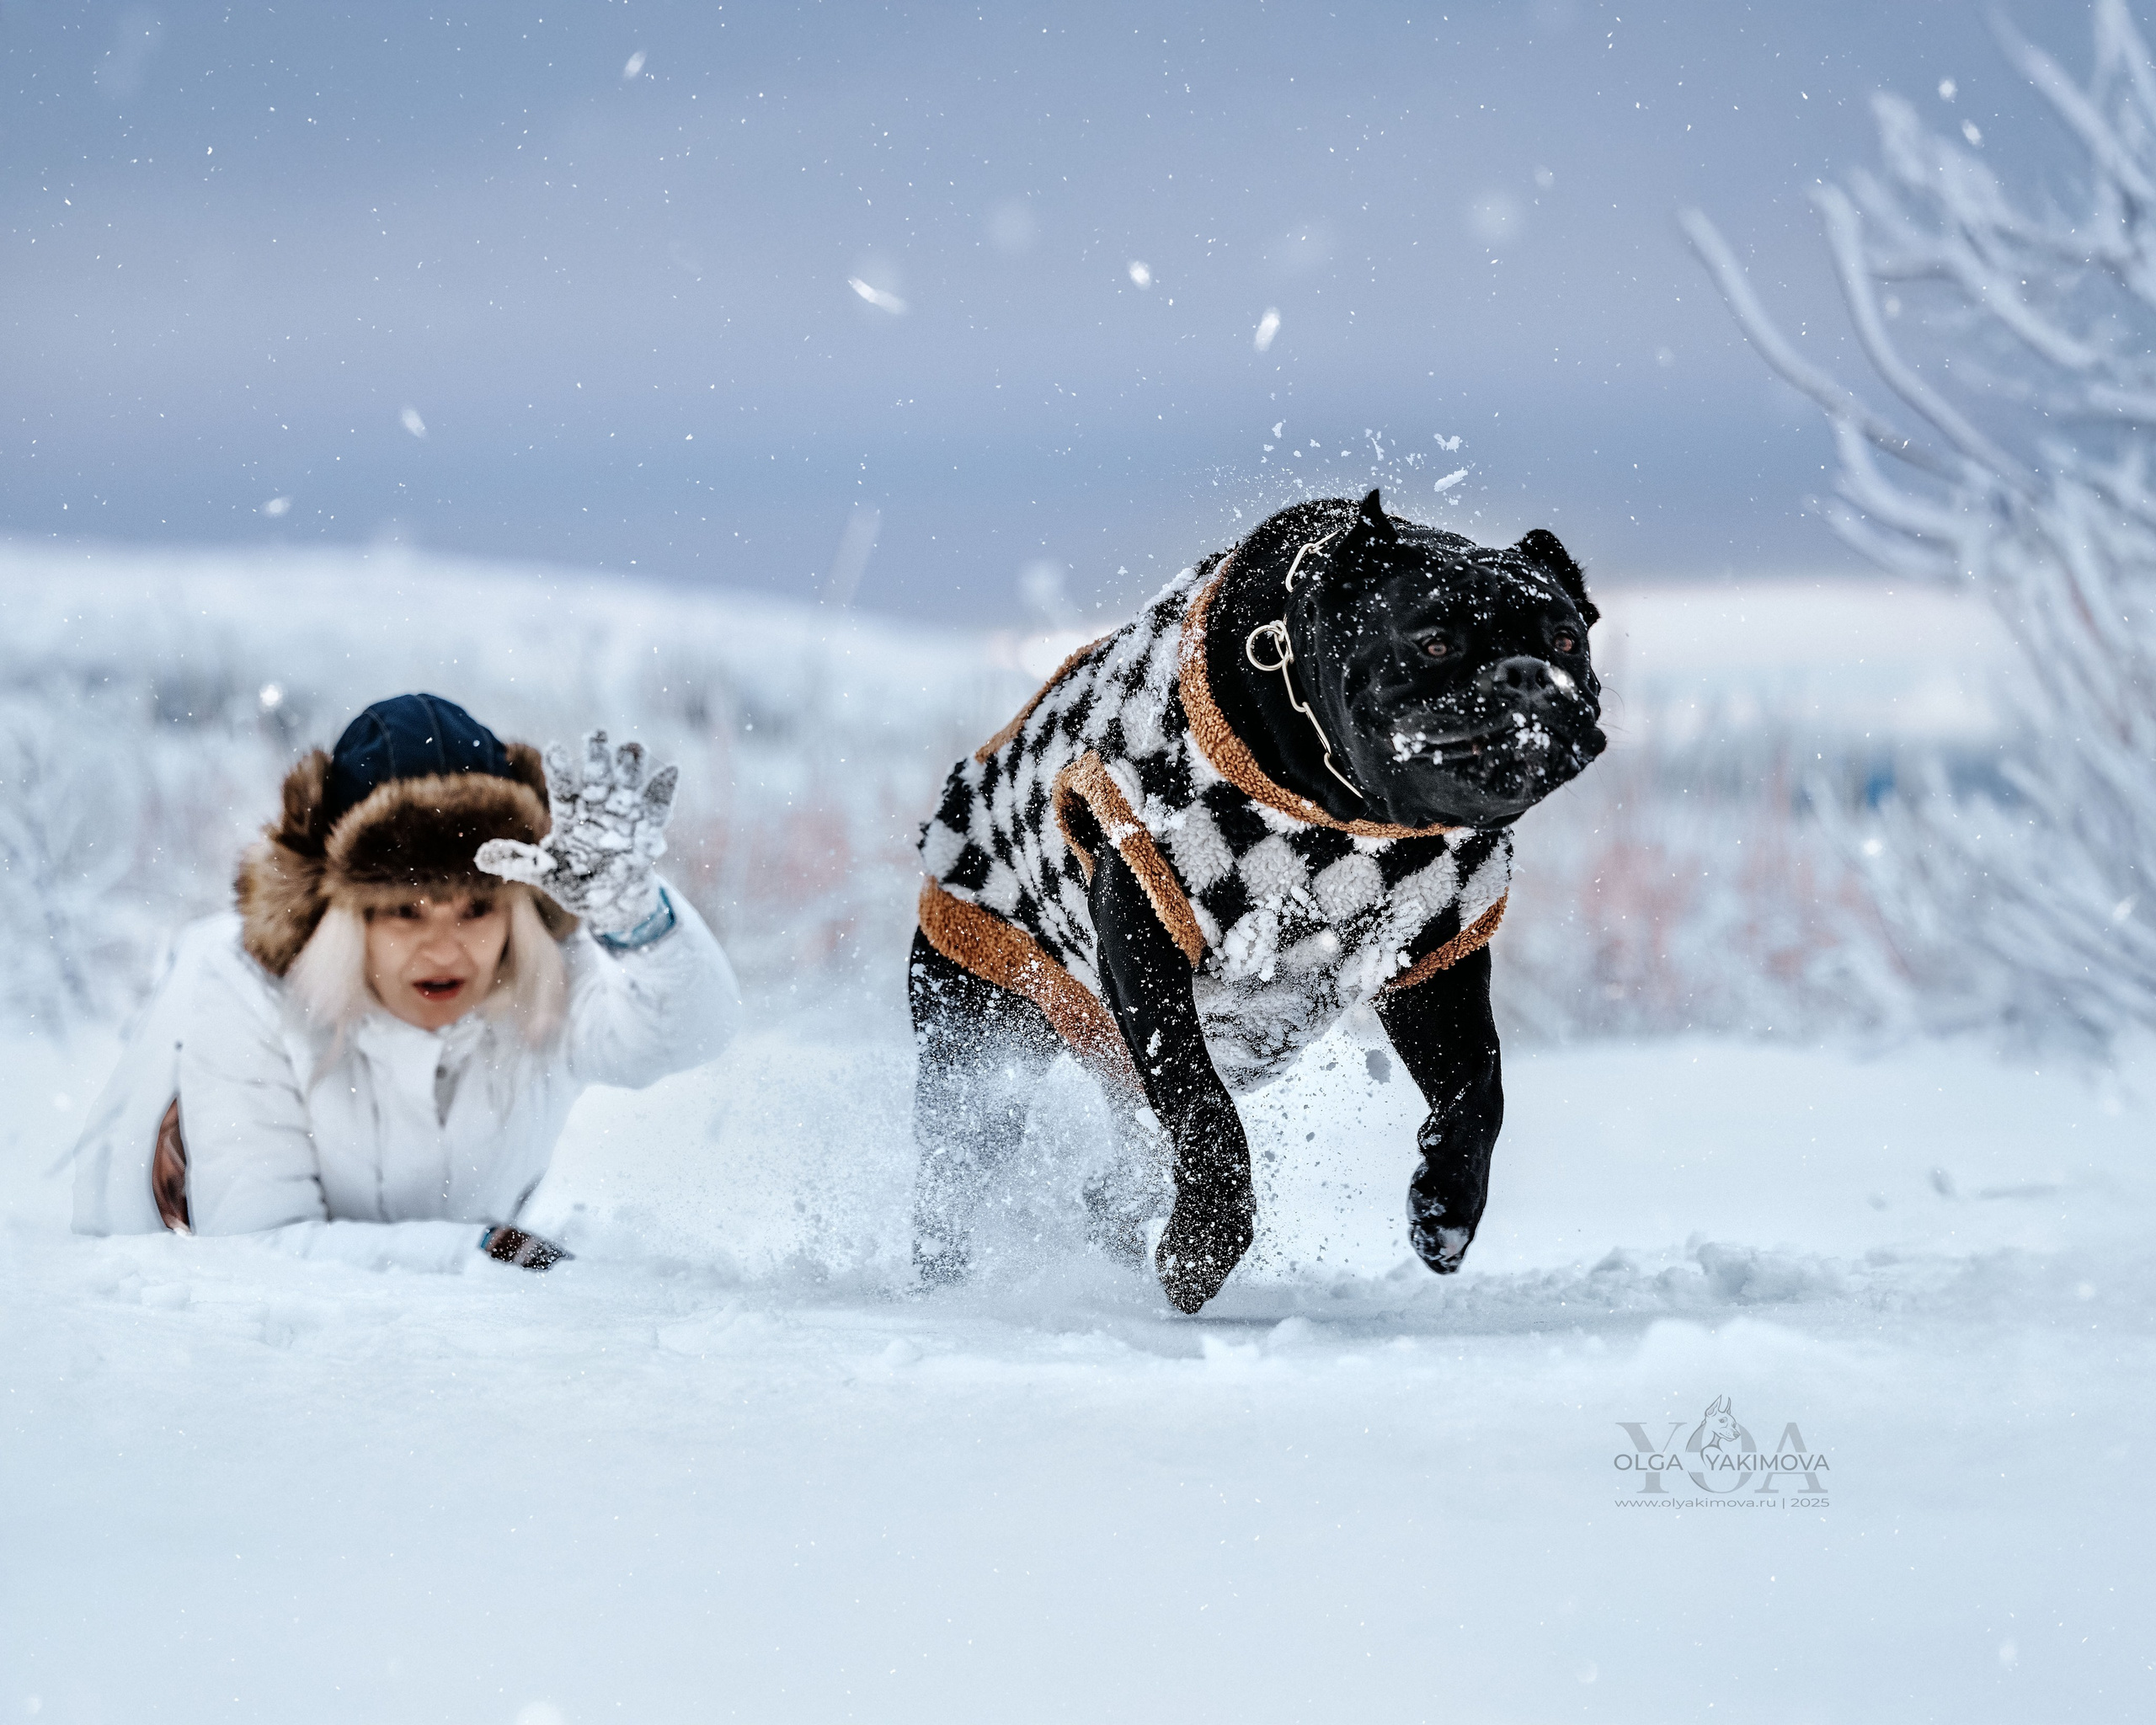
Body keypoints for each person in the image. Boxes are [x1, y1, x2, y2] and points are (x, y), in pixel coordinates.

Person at [70, 693, 741, 1270]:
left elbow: (691, 1032)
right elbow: (254, 1248)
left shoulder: (543, 979)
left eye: (478, 908)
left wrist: (638, 915)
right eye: (404, 911)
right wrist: (482, 1253)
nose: (445, 948)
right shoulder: (246, 989)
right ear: (344, 917)